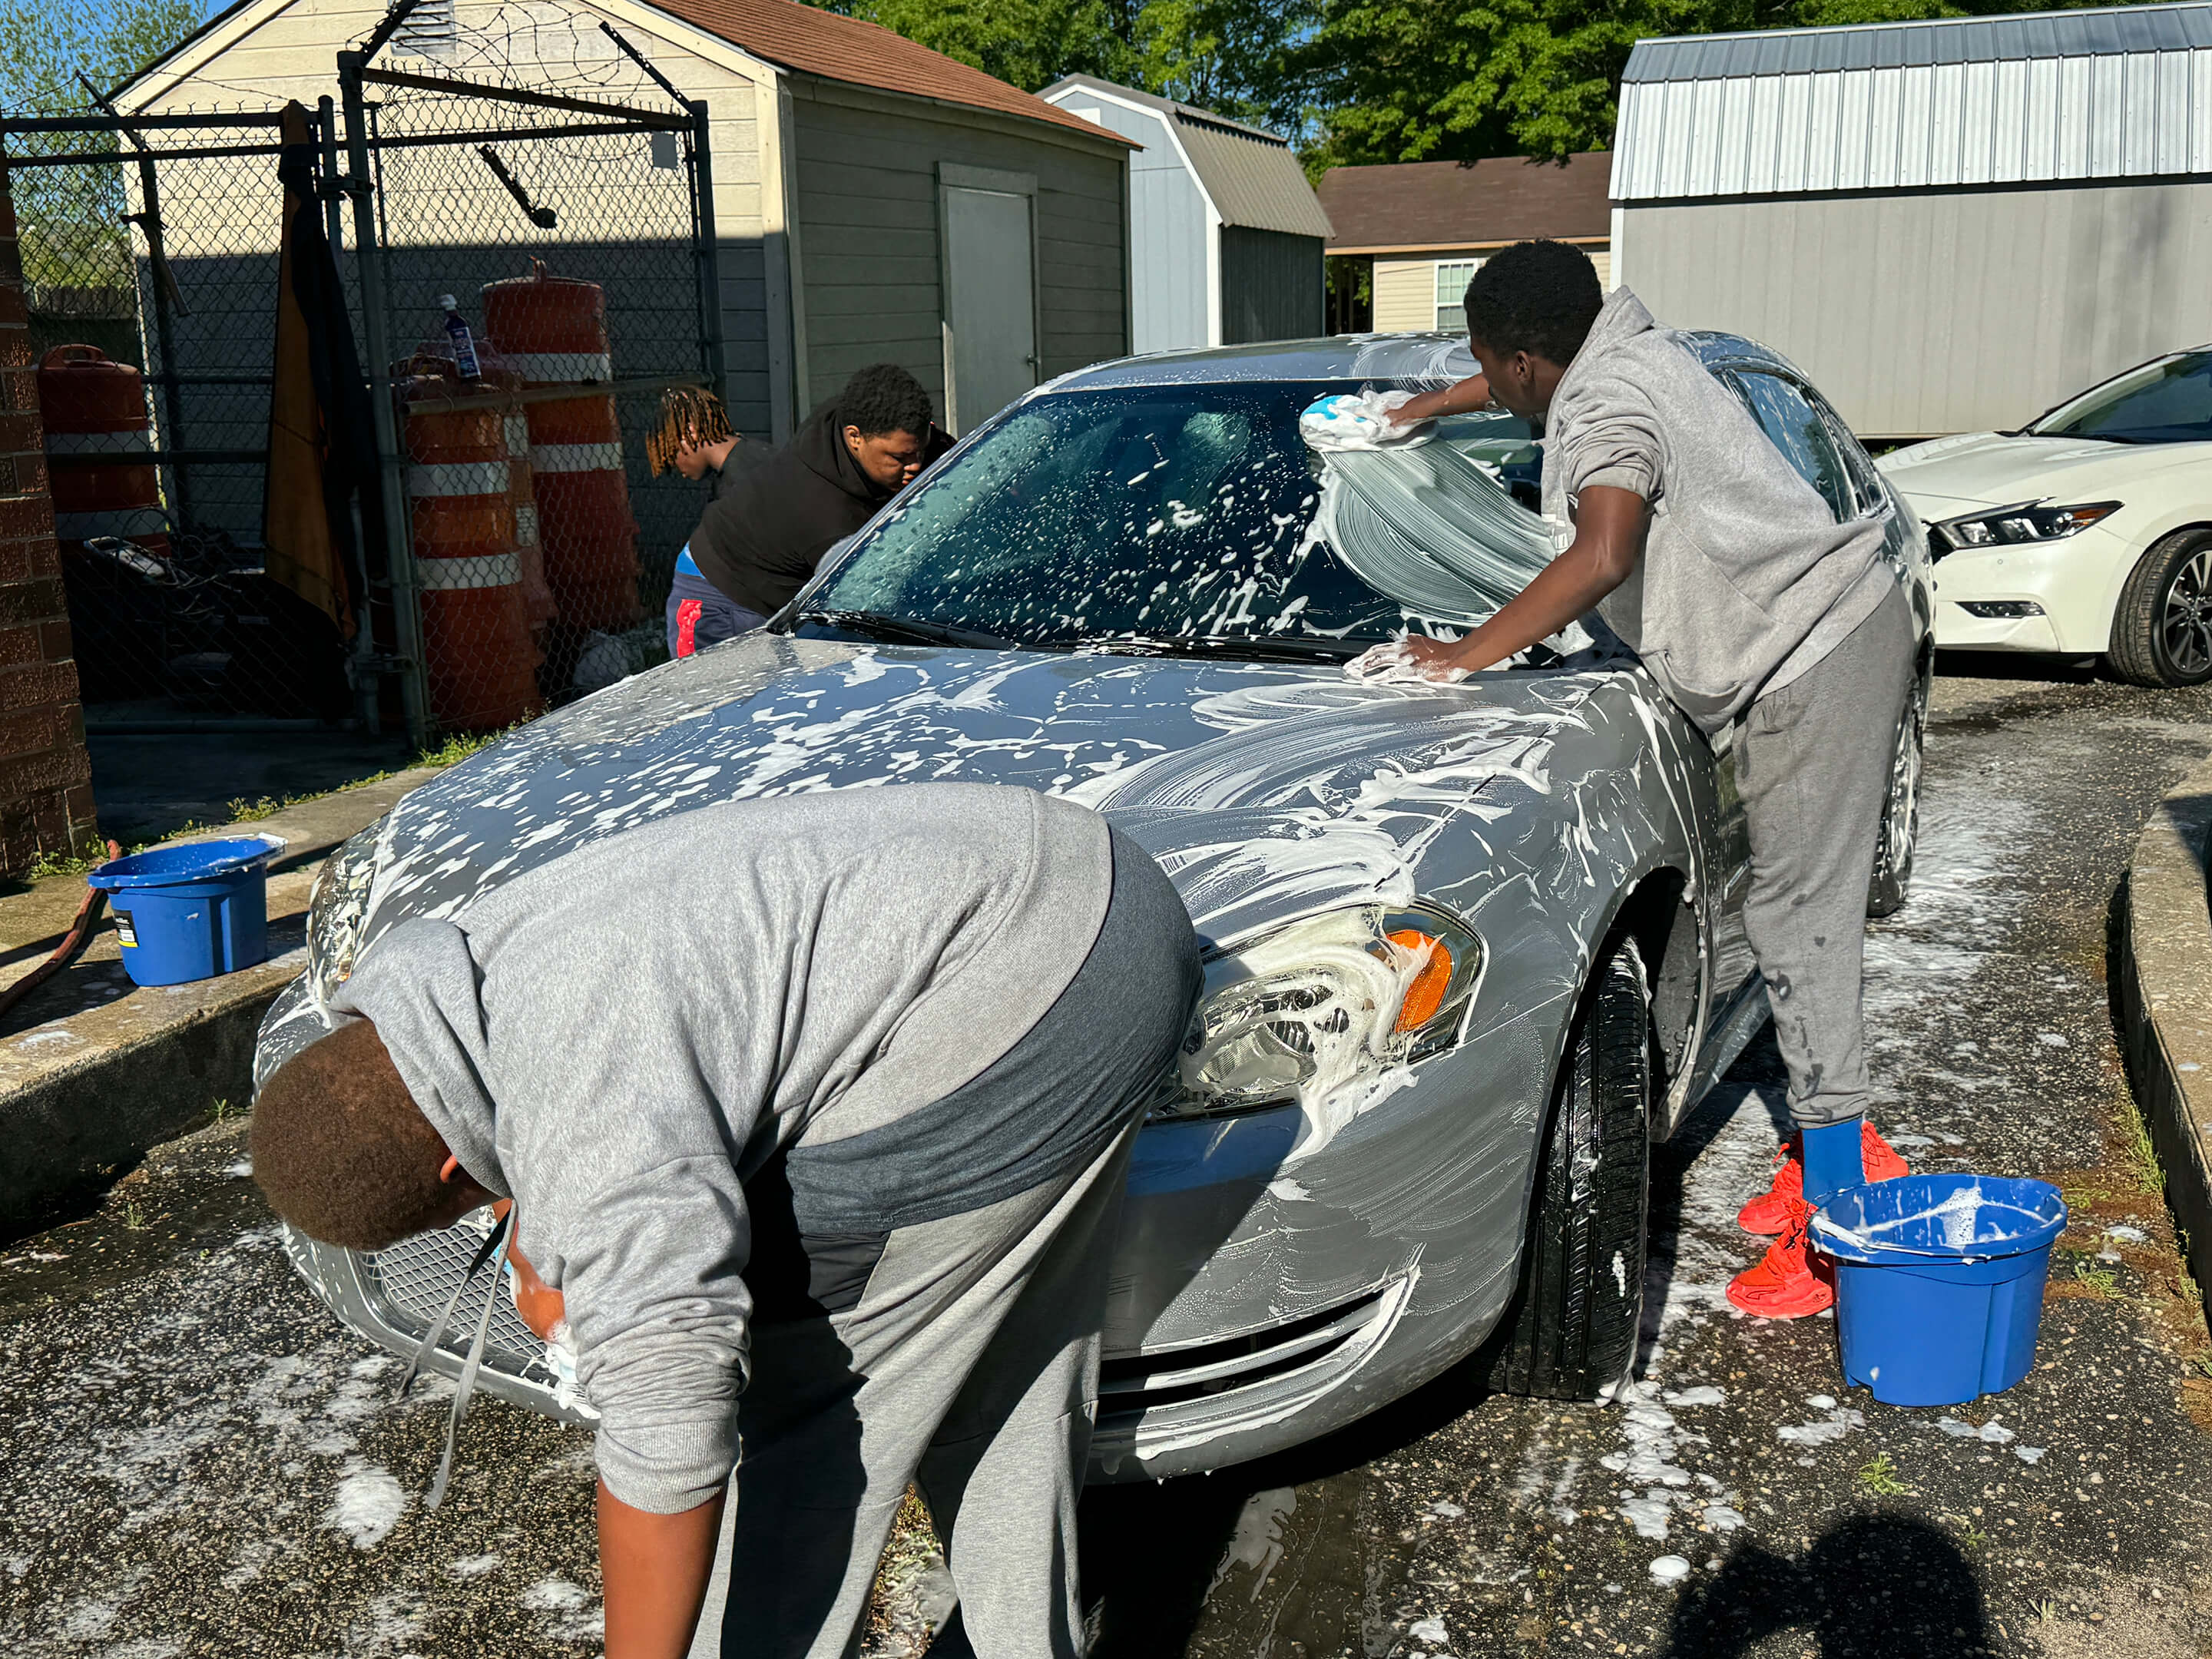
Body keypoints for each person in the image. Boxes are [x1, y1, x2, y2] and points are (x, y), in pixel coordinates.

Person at [250, 783, 1200, 1658]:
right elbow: (545, 1098)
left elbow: (671, 1435)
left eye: (466, 1202)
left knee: (805, 1394)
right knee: (994, 1352)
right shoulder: (455, 984)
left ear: (456, 1166)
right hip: (1085, 886)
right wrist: (541, 1238)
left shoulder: (590, 1116)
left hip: (1023, 987)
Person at [1380, 240, 1912, 1318]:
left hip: (1808, 653)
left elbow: (1603, 552)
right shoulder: (1622, 345)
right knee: (1791, 914)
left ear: (1531, 359)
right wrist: (1424, 409)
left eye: (1492, 367)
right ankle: (1837, 1151)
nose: (1498, 386)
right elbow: (1527, 372)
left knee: (1799, 924)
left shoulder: (1606, 407)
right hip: (1830, 627)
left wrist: (1461, 654)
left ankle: (1845, 1222)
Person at [666, 363, 952, 660]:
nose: (916, 465)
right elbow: (873, 610)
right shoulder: (824, 514)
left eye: (920, 450)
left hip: (785, 590)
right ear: (855, 438)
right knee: (727, 705)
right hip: (717, 596)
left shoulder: (853, 417)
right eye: (900, 457)